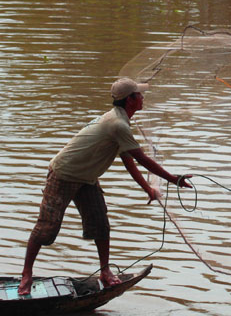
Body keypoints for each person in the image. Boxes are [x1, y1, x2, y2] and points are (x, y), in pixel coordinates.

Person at [18, 78, 192, 295]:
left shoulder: (121, 122)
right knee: (46, 227)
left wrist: (147, 188)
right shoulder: (117, 124)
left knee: (100, 223)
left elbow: (128, 159)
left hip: (87, 178)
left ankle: (105, 271)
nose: (143, 97)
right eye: (139, 94)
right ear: (130, 100)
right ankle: (26, 274)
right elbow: (142, 159)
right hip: (64, 174)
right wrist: (173, 178)